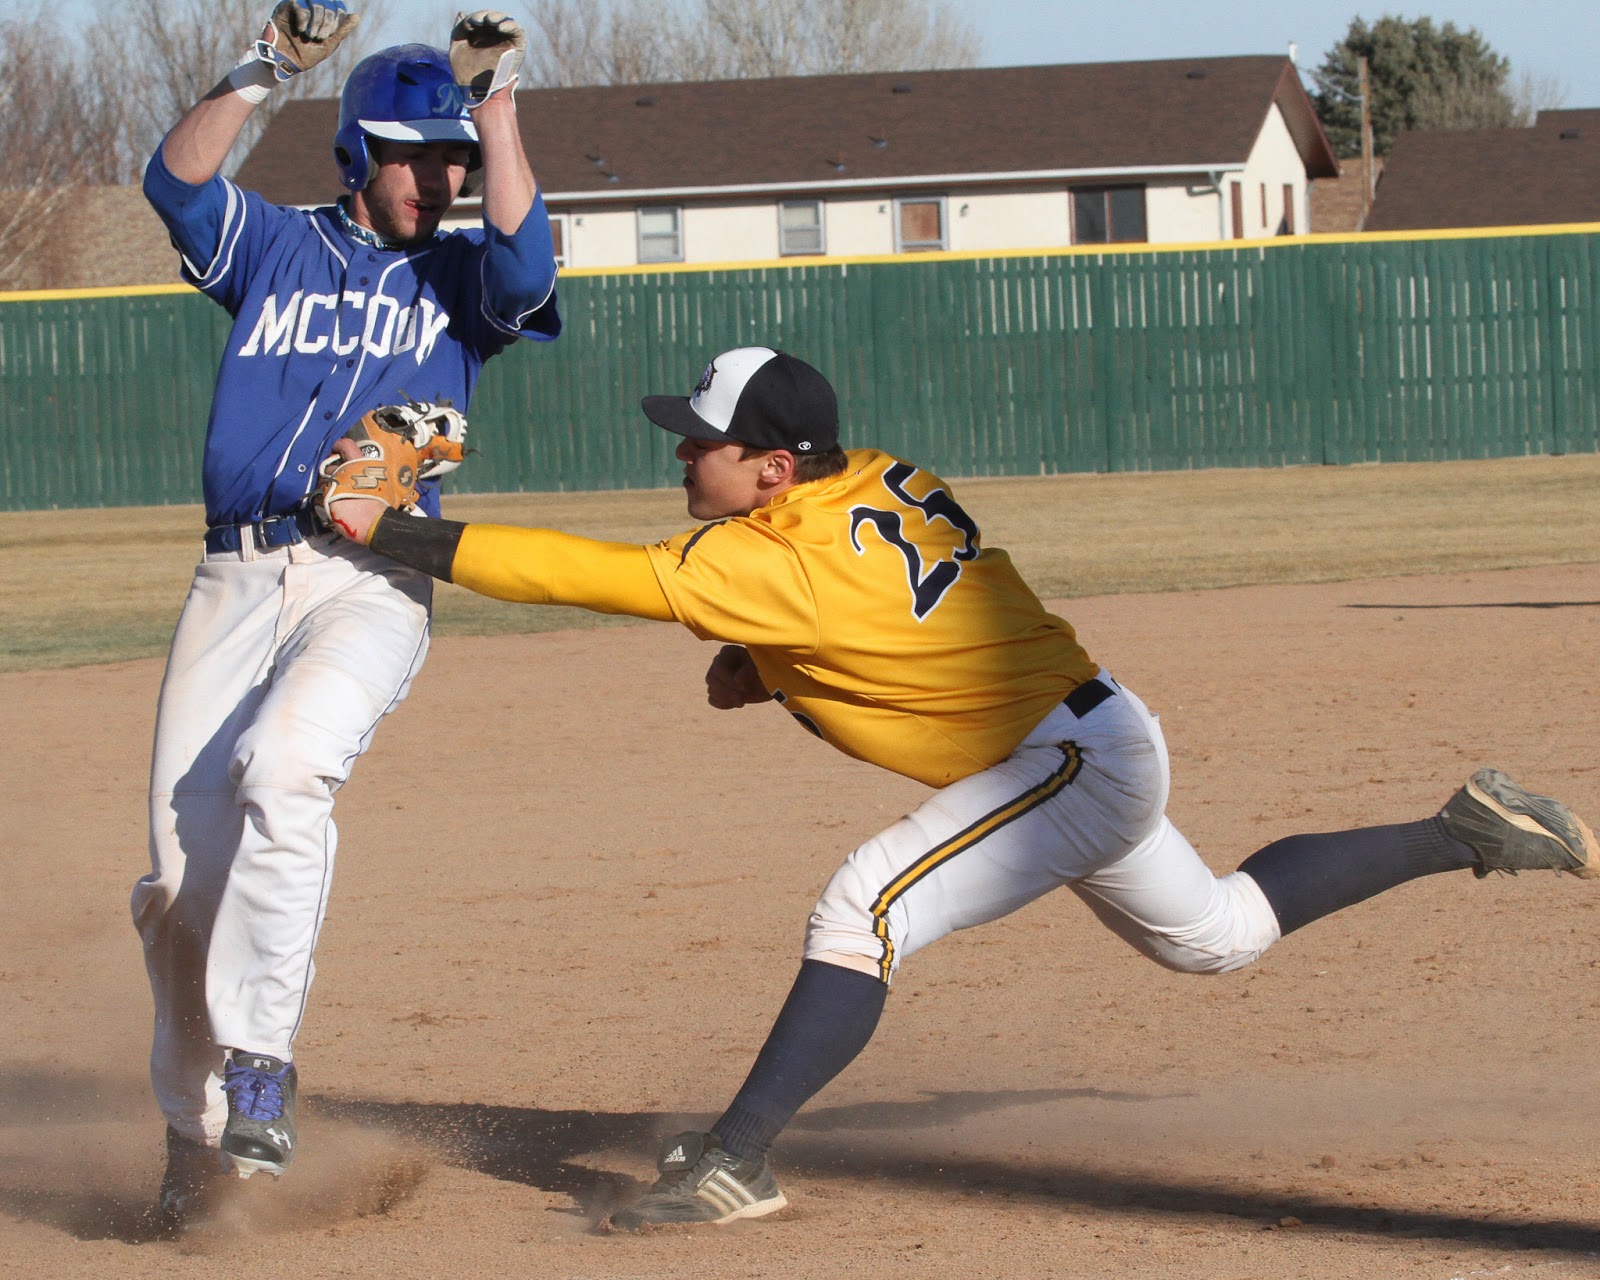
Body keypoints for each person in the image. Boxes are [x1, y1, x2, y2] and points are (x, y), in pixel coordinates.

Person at [321, 346, 1598, 1231]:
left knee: (861, 906)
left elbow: (567, 573)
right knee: (1217, 934)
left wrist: (392, 525)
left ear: (773, 469)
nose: (683, 458)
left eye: (702, 446)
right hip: (1089, 730)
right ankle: (1462, 830)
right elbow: (881, 615)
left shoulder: (758, 562)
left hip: (1058, 756)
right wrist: (776, 666)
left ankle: (733, 1163)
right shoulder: (870, 473)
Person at [131, 0, 561, 1231]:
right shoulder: (272, 248)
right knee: (176, 891)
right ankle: (191, 1131)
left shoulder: (467, 276)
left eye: (453, 160)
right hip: (232, 580)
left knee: (289, 766)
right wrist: (268, 62)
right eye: (416, 153)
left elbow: (531, 265)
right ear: (356, 156)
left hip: (367, 580)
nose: (441, 176)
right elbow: (174, 179)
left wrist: (498, 105)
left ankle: (264, 1060)